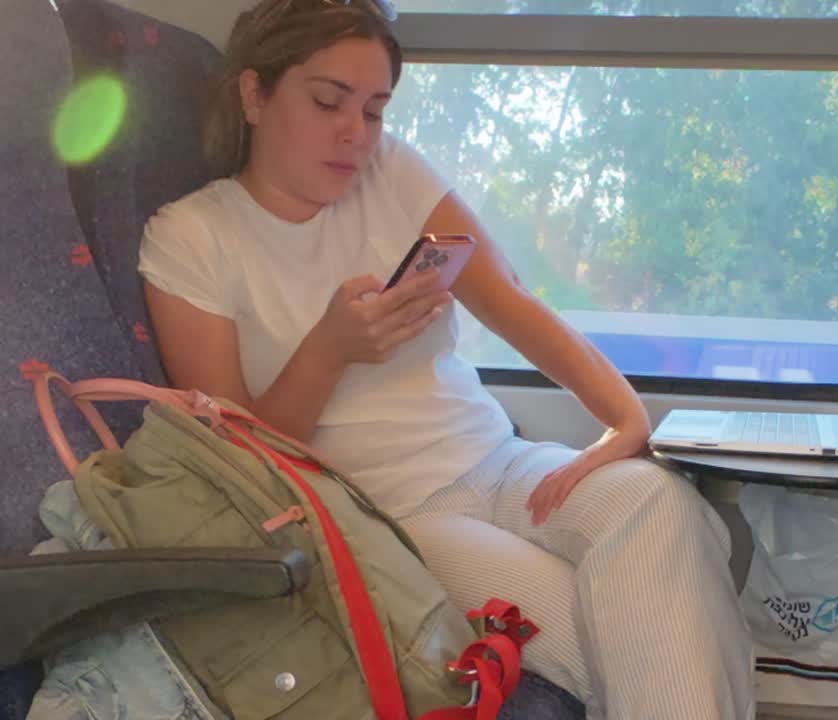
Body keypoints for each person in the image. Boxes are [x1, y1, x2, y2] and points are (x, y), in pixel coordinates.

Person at [136, 1, 755, 718]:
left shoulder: (390, 172)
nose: (355, 135)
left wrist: (623, 420)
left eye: (374, 110)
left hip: (500, 460)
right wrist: (329, 351)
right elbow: (239, 468)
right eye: (328, 101)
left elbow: (510, 300)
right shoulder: (191, 239)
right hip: (394, 515)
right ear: (254, 93)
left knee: (658, 504)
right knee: (641, 633)